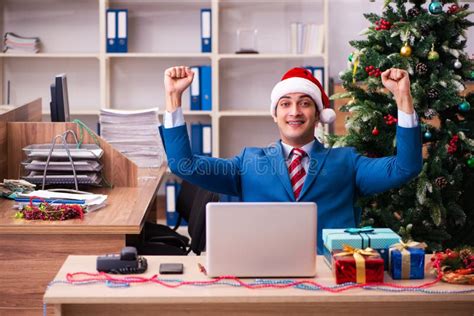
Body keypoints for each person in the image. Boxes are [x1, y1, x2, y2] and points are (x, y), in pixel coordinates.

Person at [160, 66, 422, 254]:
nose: (294, 112)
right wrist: (173, 99)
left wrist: (403, 99)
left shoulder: (347, 162)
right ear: (275, 115)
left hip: (331, 276)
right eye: (285, 104)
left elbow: (406, 166)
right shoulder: (248, 162)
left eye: (305, 103)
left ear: (319, 115)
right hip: (264, 275)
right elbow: (185, 165)